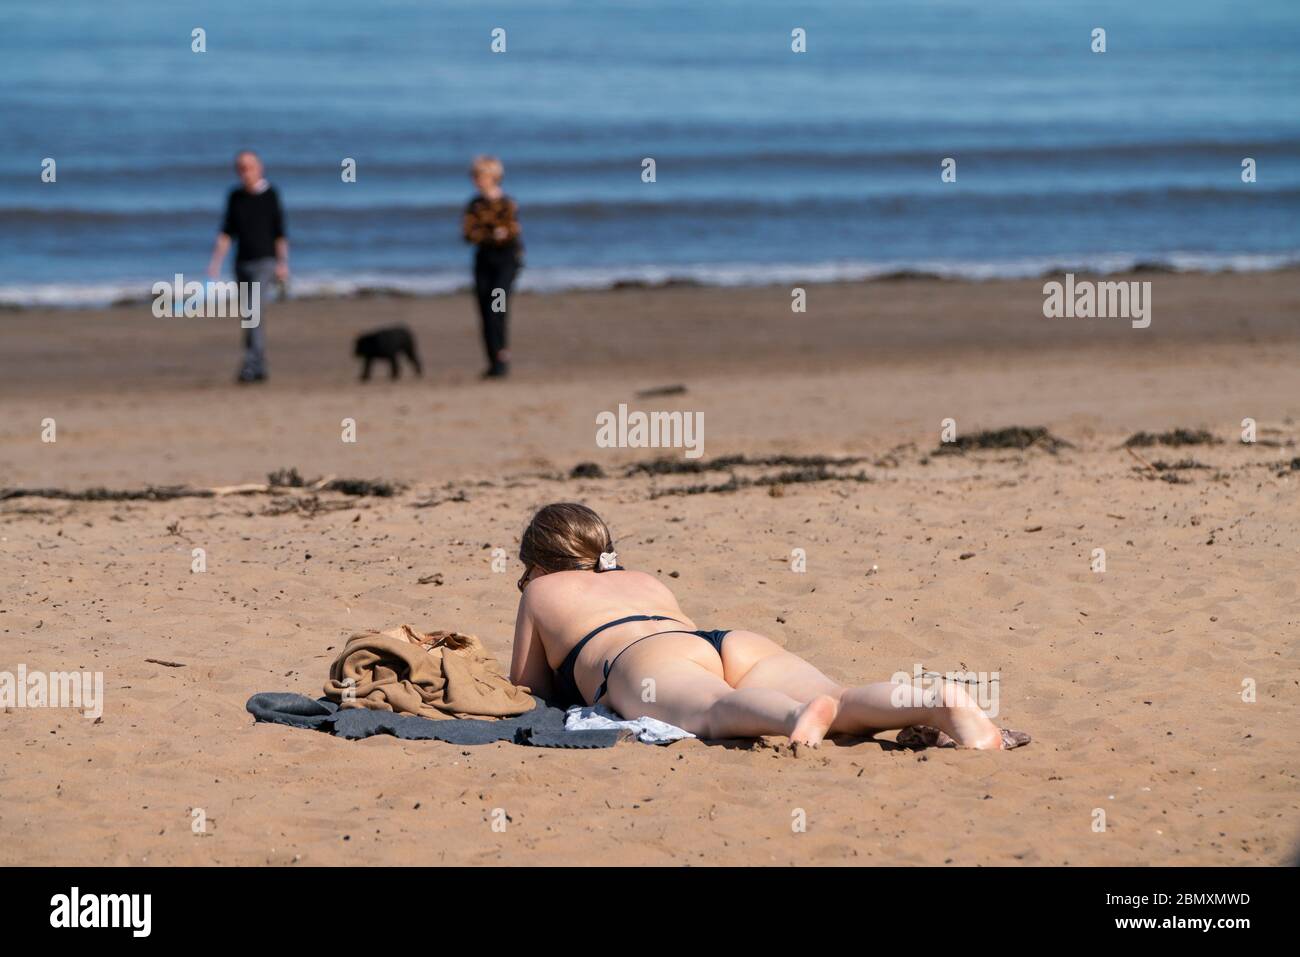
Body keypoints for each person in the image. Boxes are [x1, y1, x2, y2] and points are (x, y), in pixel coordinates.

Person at [509, 503, 1030, 749]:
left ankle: (795, 717)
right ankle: (936, 701)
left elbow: (527, 689)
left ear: (538, 561)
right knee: (843, 699)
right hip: (722, 642)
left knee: (714, 709)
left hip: (642, 661)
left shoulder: (540, 590)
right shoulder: (638, 576)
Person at [207, 150, 289, 383]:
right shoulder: (235, 196)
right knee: (248, 315)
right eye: (241, 168)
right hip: (241, 262)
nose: (246, 172)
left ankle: (251, 365)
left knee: (255, 313)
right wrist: (215, 262)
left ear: (259, 168)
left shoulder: (271, 194)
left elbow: (280, 233)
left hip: (266, 261)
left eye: (249, 167)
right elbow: (226, 233)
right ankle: (259, 365)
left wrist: (283, 264)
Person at [462, 155, 523, 378]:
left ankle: (501, 357)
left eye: (481, 176)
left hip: (506, 261)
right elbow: (469, 234)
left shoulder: (507, 204)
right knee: (485, 311)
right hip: (484, 261)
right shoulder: (474, 205)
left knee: (498, 308)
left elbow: (511, 232)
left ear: (494, 177)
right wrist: (493, 233)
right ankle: (493, 359)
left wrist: (491, 234)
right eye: (475, 176)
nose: (477, 180)